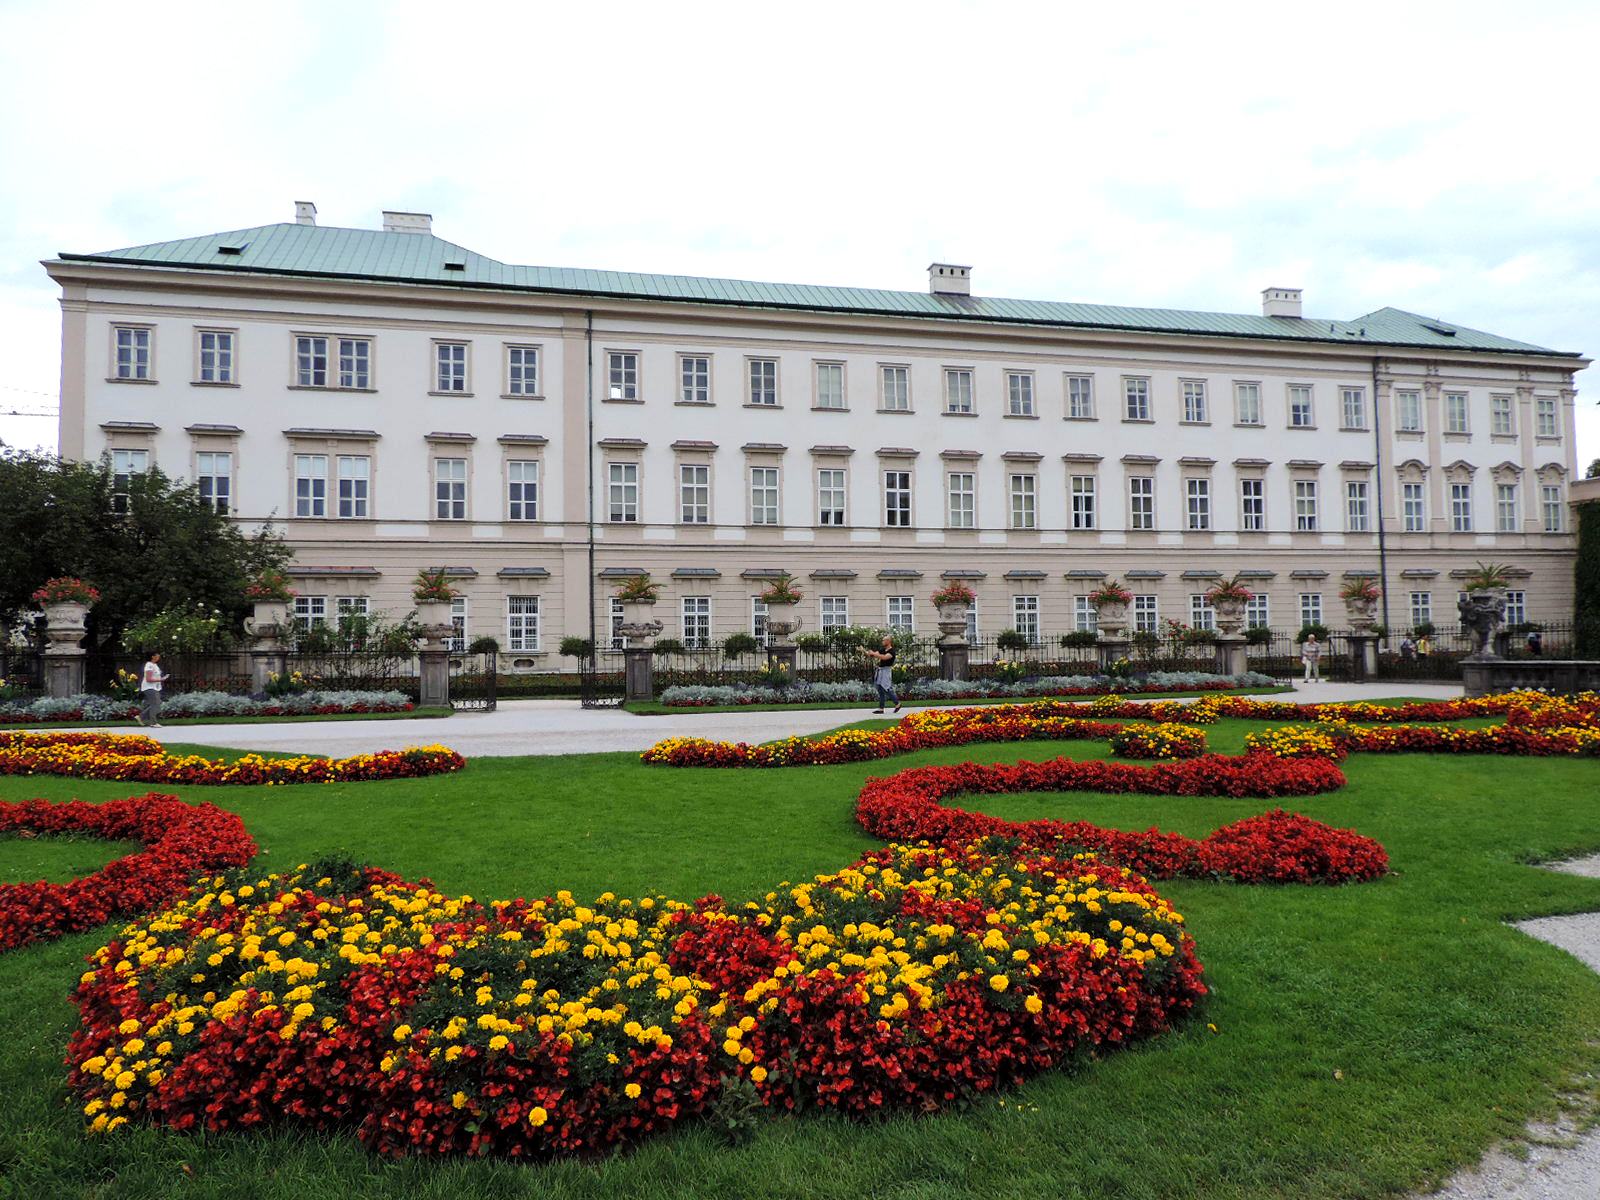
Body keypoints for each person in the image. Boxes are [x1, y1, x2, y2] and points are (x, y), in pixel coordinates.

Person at [862, 635, 901, 714]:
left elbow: (884, 657)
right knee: (879, 688)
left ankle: (897, 703)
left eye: (884, 640)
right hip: (880, 671)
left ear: (888, 641)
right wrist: (864, 651)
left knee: (886, 688)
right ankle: (881, 708)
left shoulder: (891, 652)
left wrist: (874, 653)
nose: (882, 642)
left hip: (886, 671)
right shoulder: (883, 649)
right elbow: (873, 655)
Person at [139, 652, 168, 727]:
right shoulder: (149, 665)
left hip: (155, 687)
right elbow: (148, 679)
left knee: (157, 703)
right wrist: (161, 679)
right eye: (157, 656)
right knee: (155, 704)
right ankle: (153, 722)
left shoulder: (155, 665)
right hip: (149, 687)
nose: (159, 657)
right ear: (152, 656)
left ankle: (141, 717)